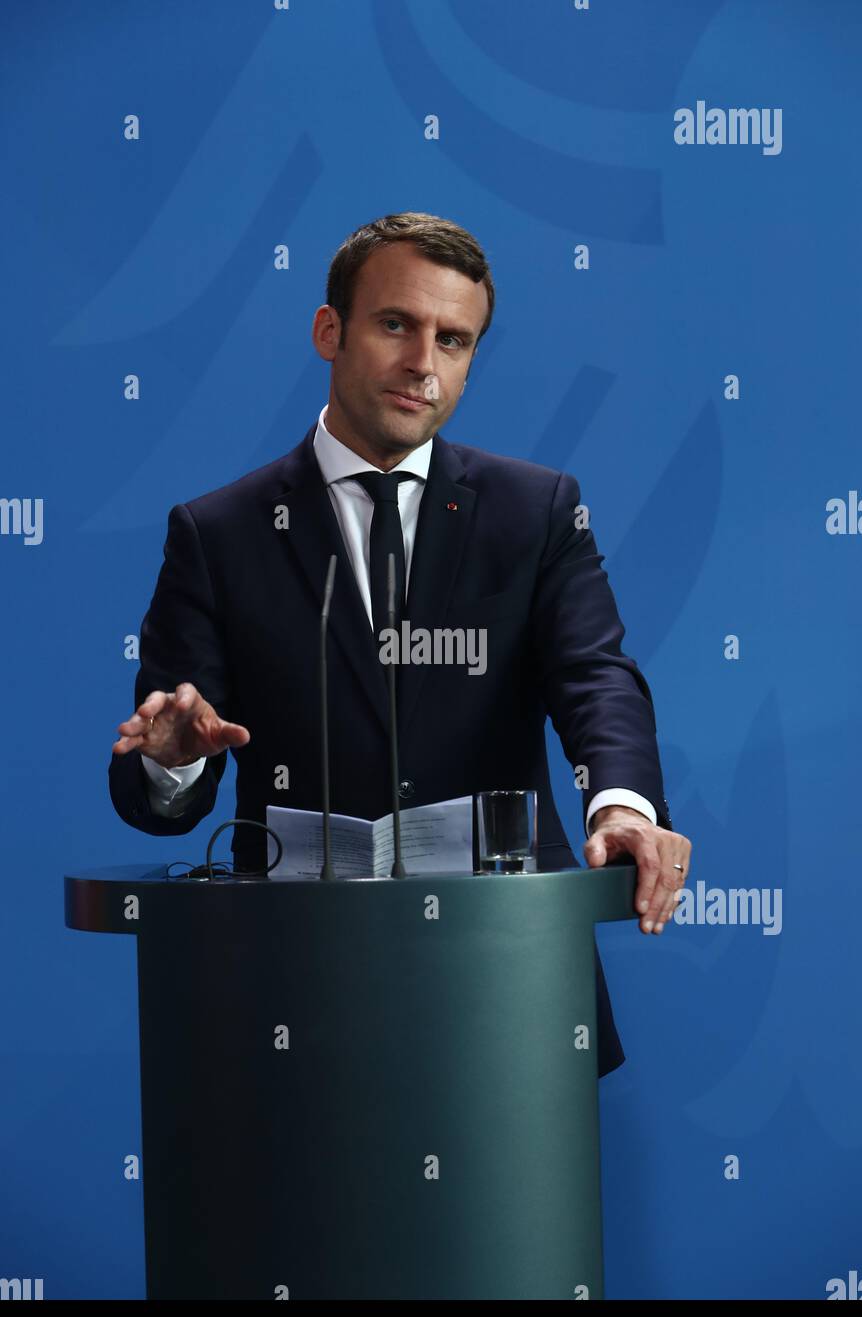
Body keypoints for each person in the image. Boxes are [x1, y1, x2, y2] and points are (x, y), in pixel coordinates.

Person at [109, 211, 692, 1076]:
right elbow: (162, 777)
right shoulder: (219, 533)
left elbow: (594, 676)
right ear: (329, 330)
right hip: (290, 996)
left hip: (509, 978)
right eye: (397, 325)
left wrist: (622, 807)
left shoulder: (536, 513)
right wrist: (175, 758)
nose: (425, 363)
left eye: (454, 341)